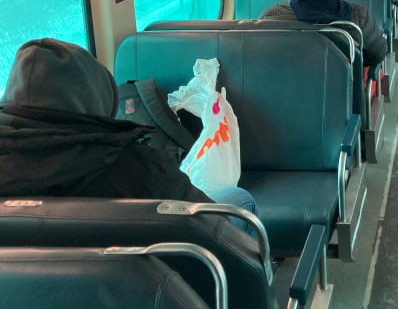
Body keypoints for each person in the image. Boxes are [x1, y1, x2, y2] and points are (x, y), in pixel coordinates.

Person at [0, 39, 257, 231]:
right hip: (145, 293)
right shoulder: (137, 167)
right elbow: (210, 227)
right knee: (239, 200)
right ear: (100, 99)